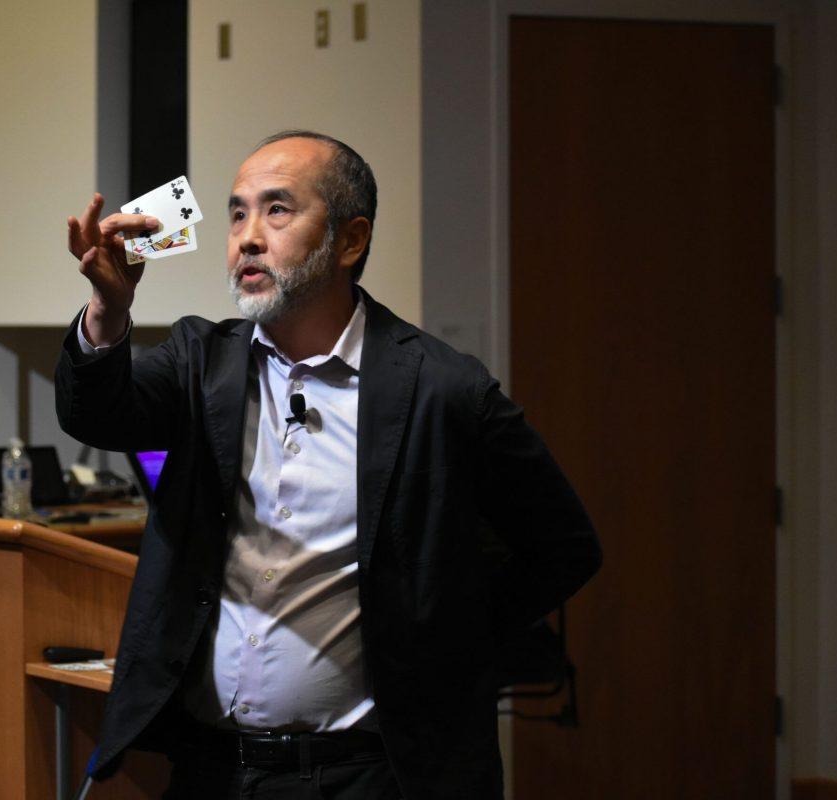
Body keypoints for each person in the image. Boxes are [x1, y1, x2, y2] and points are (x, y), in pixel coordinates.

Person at [55, 131, 601, 799]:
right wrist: (109, 311)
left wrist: (443, 627)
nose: (248, 237)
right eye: (236, 213)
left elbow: (564, 547)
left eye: (277, 210)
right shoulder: (201, 361)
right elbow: (98, 416)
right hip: (212, 769)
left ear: (350, 240)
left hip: (370, 776)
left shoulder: (442, 390)